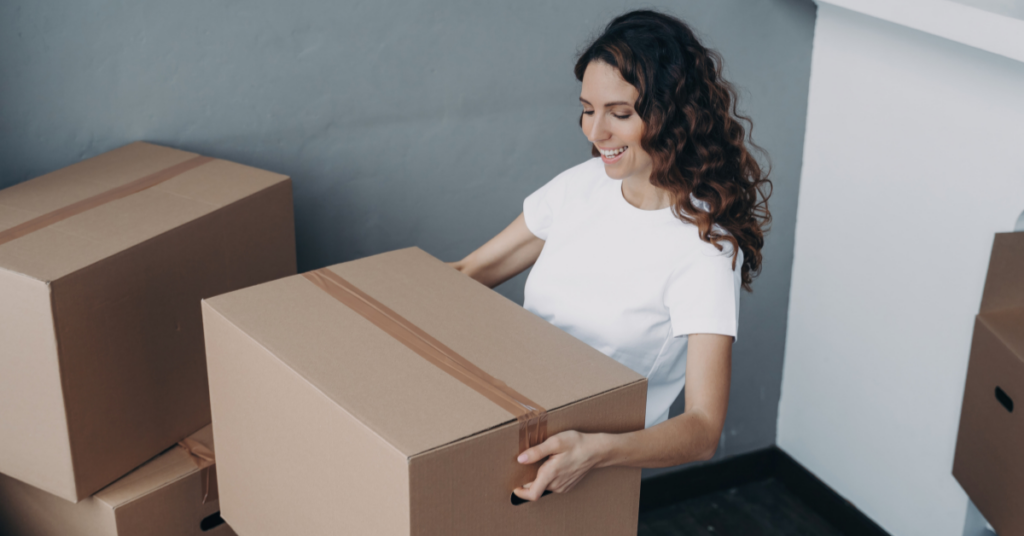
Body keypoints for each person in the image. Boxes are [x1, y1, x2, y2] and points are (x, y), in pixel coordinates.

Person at [449, 9, 771, 502]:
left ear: (674, 115)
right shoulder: (581, 186)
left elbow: (704, 428)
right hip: (507, 418)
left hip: (589, 465)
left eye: (620, 114)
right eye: (587, 109)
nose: (594, 132)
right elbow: (469, 273)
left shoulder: (705, 248)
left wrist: (596, 451)